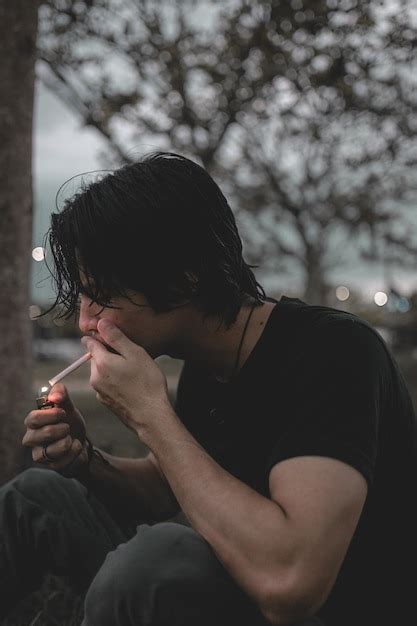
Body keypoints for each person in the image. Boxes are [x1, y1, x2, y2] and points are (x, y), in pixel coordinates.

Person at [1, 152, 416, 626]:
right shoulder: (206, 363)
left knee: (152, 564)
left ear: (184, 277)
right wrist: (84, 461)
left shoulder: (335, 352)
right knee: (36, 497)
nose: (85, 320)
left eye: (101, 294)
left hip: (333, 609)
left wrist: (151, 416)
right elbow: (163, 488)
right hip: (244, 584)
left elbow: (292, 581)